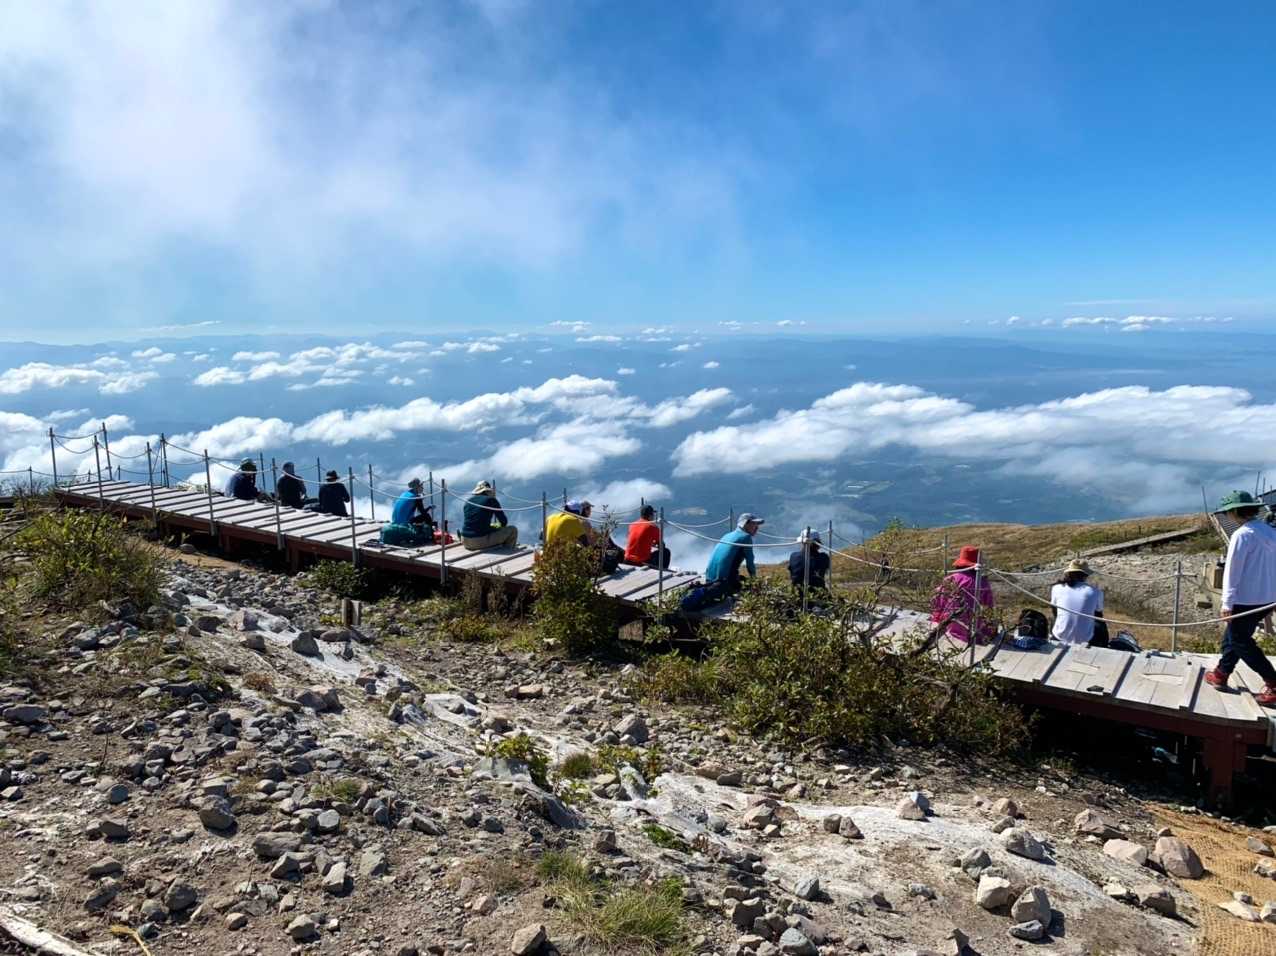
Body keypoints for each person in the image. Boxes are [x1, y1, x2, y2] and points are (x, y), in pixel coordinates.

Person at [1205, 491, 1276, 706]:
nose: (1227, 516)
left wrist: (1227, 603)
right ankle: (1221, 673)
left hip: (1246, 599)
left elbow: (1232, 571)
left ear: (1235, 512)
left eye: (1228, 512)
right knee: (1234, 635)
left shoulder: (1242, 535)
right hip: (1267, 598)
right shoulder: (1270, 531)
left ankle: (1273, 683)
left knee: (1240, 640)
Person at [930, 545, 996, 644]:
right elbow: (988, 609)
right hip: (975, 631)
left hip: (950, 626)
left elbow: (938, 603)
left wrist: (937, 619)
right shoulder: (983, 583)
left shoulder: (950, 579)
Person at [1049, 559, 1105, 646]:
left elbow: (1054, 610)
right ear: (1086, 575)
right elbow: (1098, 614)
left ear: (1068, 573)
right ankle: (1102, 644)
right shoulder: (1096, 592)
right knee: (1100, 622)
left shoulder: (1056, 588)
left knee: (1054, 617)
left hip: (1060, 635)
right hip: (1085, 638)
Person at [704, 513, 763, 595]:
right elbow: (750, 564)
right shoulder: (746, 537)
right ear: (745, 524)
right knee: (750, 590)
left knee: (742, 579)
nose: (757, 528)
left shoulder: (726, 535)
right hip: (723, 583)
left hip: (709, 580)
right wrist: (755, 582)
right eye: (754, 524)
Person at [460, 480, 518, 550]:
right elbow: (504, 522)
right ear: (488, 491)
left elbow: (474, 522)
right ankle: (508, 550)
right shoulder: (491, 500)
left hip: (464, 540)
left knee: (489, 528)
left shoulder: (468, 501)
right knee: (513, 530)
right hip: (478, 541)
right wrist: (497, 527)